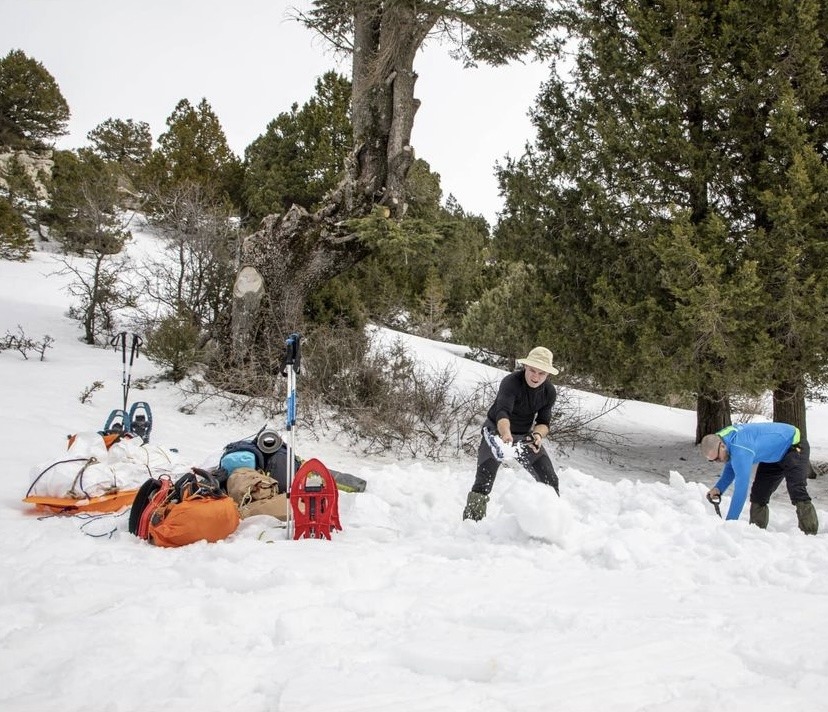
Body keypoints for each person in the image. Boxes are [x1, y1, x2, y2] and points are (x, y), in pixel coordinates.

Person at [462, 346, 560, 521]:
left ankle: (551, 523)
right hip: (496, 432)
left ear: (547, 374)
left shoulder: (549, 392)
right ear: (525, 367)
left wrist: (537, 436)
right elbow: (503, 413)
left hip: (525, 437)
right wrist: (505, 434)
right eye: (532, 370)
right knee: (484, 480)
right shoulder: (511, 382)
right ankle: (471, 522)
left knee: (550, 479)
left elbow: (544, 423)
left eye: (541, 373)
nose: (535, 377)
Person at [700, 422, 818, 534]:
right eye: (713, 460)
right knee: (759, 494)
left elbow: (741, 489)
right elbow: (731, 465)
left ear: (722, 446)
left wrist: (730, 524)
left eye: (717, 458)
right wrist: (718, 489)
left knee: (796, 488)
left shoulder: (741, 448)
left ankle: (810, 533)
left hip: (793, 446)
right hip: (773, 455)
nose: (718, 462)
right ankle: (757, 533)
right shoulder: (723, 440)